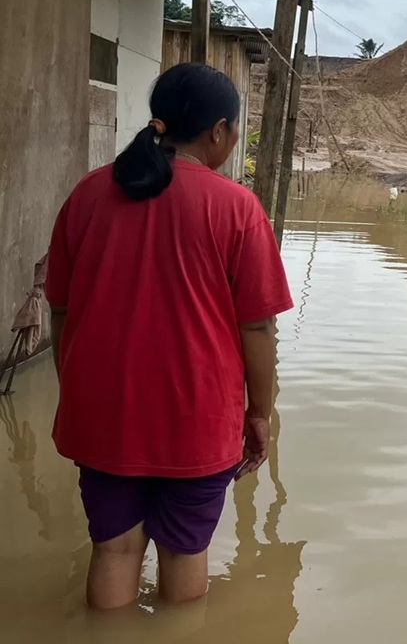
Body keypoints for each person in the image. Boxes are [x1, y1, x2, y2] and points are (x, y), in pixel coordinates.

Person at [44, 62, 293, 610]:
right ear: (219, 132)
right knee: (184, 553)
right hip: (197, 418)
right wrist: (259, 412)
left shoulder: (86, 196)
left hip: (103, 414)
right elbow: (258, 326)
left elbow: (60, 310)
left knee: (112, 552)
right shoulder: (236, 208)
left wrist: (78, 392)